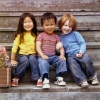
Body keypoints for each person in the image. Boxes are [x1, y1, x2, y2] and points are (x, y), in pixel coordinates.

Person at [58, 13, 99, 88]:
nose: (67, 28)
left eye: (70, 26)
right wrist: (58, 49)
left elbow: (82, 43)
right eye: (65, 25)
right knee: (73, 66)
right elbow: (60, 49)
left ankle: (92, 76)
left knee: (86, 61)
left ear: (73, 27)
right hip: (70, 56)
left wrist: (81, 51)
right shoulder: (60, 38)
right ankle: (82, 80)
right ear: (61, 25)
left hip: (79, 52)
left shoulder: (75, 34)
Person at [36, 12, 67, 89]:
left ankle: (59, 78)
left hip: (53, 56)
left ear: (55, 25)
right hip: (43, 56)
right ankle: (45, 79)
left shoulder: (56, 37)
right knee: (42, 63)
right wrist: (42, 55)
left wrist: (62, 55)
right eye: (47, 25)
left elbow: (61, 47)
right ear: (42, 26)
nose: (49, 27)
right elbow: (38, 46)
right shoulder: (41, 35)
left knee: (62, 60)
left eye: (52, 24)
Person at [11, 12, 41, 86]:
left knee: (33, 59)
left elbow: (39, 45)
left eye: (30, 22)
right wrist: (12, 59)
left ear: (33, 23)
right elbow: (15, 47)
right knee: (24, 60)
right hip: (22, 55)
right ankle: (16, 77)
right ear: (21, 24)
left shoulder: (36, 34)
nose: (28, 24)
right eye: (25, 22)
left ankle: (36, 77)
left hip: (33, 54)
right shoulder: (20, 35)